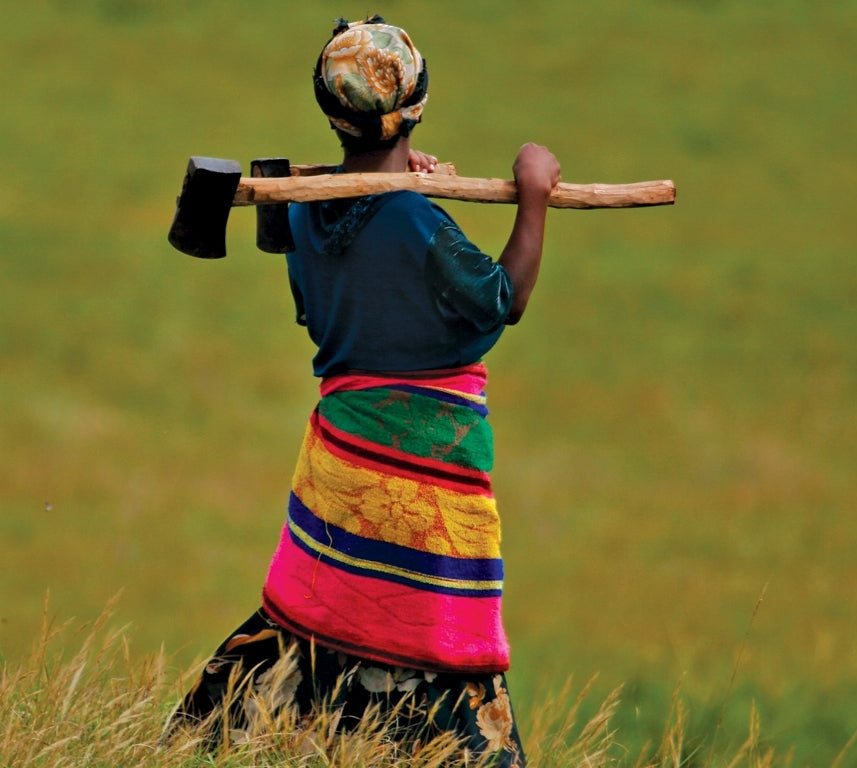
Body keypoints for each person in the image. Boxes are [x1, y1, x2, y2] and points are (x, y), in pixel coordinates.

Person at [165, 15, 560, 767]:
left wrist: (414, 190)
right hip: (426, 463)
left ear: (331, 113)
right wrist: (533, 193)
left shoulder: (310, 206)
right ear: (415, 108)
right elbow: (501, 297)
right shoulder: (413, 216)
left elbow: (319, 304)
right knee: (427, 624)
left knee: (327, 596)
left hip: (341, 456)